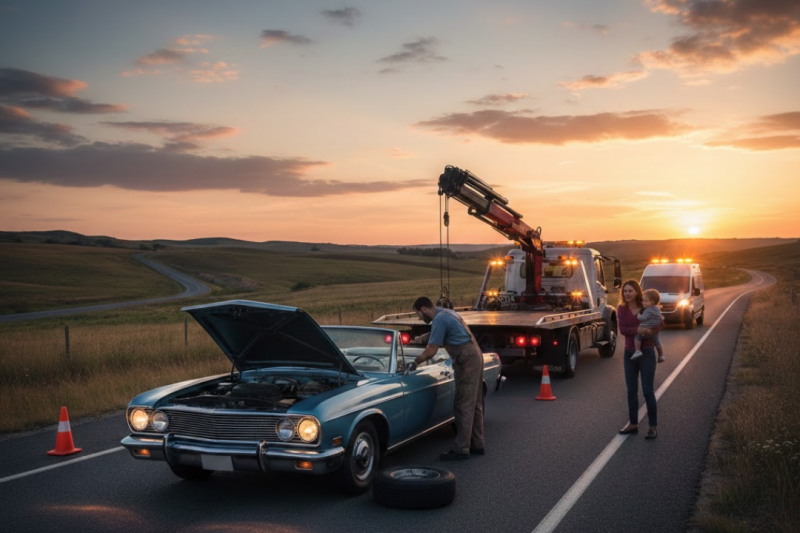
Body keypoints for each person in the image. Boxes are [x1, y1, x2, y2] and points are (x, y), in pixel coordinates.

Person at [411, 296, 485, 460]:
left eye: (418, 314)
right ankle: (477, 444)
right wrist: (423, 338)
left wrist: (415, 362)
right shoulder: (446, 313)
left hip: (465, 359)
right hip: (475, 355)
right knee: (475, 403)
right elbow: (439, 333)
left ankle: (461, 449)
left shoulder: (439, 319)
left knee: (462, 404)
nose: (419, 318)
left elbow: (432, 350)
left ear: (424, 309)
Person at [617, 280, 659, 439]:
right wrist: (639, 329)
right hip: (629, 354)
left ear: (637, 292)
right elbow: (622, 330)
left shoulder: (646, 307)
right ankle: (633, 424)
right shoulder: (621, 309)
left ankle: (653, 426)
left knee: (648, 390)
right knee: (631, 391)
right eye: (625, 291)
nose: (627, 294)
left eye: (630, 291)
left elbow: (658, 324)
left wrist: (650, 331)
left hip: (647, 352)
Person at [631, 288, 665, 363]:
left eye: (646, 301)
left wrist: (639, 314)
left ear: (652, 302)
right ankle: (661, 355)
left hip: (646, 329)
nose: (643, 303)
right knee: (657, 342)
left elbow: (642, 318)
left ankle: (637, 351)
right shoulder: (657, 308)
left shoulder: (648, 310)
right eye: (643, 300)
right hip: (655, 330)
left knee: (637, 336)